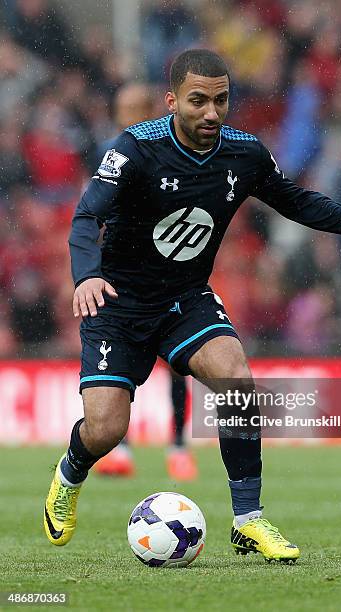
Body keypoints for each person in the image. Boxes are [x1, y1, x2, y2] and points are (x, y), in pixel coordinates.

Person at [44, 49, 341, 563]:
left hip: (185, 299)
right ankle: (69, 473)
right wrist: (86, 277)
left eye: (221, 100)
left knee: (237, 381)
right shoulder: (134, 148)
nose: (212, 113)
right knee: (107, 429)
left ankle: (248, 520)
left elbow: (301, 203)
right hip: (117, 304)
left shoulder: (245, 154)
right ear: (173, 101)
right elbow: (86, 217)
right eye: (198, 101)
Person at [91, 81, 197, 480]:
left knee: (177, 364)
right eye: (122, 108)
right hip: (123, 274)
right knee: (123, 363)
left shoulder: (169, 150)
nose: (126, 116)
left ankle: (178, 446)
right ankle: (122, 447)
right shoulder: (111, 153)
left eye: (134, 108)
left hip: (169, 270)